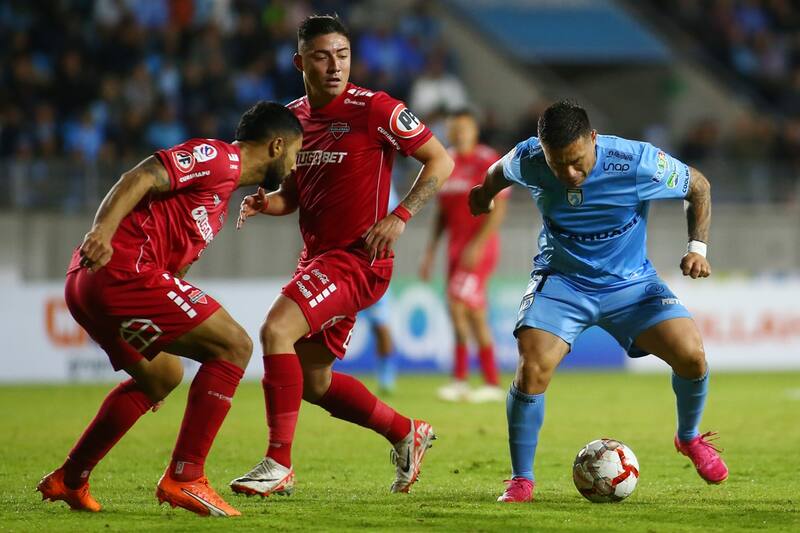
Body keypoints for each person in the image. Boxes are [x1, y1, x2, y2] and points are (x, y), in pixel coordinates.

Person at [37, 102, 303, 517]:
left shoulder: (216, 206)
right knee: (234, 346)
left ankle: (71, 478)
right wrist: (102, 232)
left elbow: (175, 269)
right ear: (276, 146)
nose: (293, 166)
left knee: (162, 376)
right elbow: (139, 176)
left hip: (96, 286)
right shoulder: (218, 158)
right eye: (294, 154)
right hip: (118, 271)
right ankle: (186, 475)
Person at [231, 15, 454, 497]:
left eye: (343, 55)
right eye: (322, 56)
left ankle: (278, 463)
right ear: (299, 62)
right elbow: (292, 196)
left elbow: (442, 159)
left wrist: (401, 216)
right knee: (313, 381)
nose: (335, 66)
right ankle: (404, 432)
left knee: (276, 329)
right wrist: (264, 202)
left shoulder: (375, 109)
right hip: (317, 260)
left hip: (358, 259)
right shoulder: (294, 121)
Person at [468, 100, 728, 503]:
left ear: (593, 139)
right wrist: (483, 197)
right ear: (542, 149)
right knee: (532, 367)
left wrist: (698, 248)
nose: (570, 175)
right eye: (559, 165)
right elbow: (495, 174)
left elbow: (699, 186)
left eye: (577, 161)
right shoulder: (529, 157)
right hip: (562, 283)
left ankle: (689, 438)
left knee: (692, 355)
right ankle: (522, 479)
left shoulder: (637, 161)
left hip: (632, 285)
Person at [419, 109, 508, 403]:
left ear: (474, 130)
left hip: (478, 250)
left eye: (464, 128)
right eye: (453, 129)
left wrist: (480, 244)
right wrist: (431, 252)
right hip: (455, 250)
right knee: (468, 312)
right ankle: (485, 382)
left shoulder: (487, 160)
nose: (459, 134)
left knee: (460, 307)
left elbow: (500, 208)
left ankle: (468, 380)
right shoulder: (446, 161)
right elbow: (441, 215)